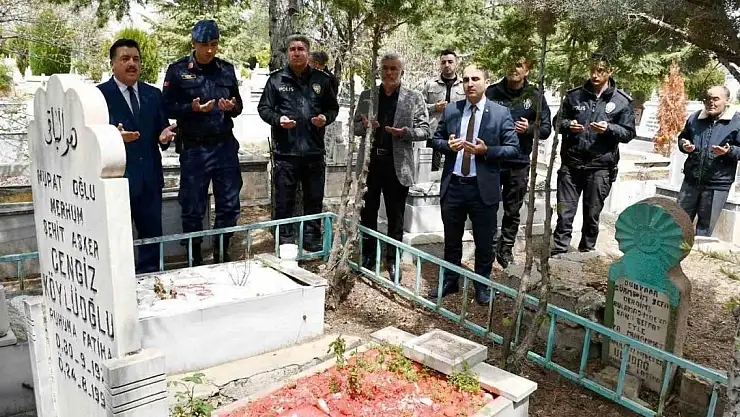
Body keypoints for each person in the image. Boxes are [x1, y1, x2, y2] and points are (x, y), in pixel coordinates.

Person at [427, 65, 520, 305]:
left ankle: (482, 285)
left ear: (486, 82)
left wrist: (487, 151)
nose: (470, 84)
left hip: (483, 188)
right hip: (454, 186)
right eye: (466, 79)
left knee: (484, 241)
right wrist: (447, 146)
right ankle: (450, 280)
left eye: (475, 79)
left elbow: (513, 149)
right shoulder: (452, 110)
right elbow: (435, 140)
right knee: (451, 239)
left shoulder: (500, 113)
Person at [162, 19, 244, 265]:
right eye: (204, 44)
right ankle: (194, 255)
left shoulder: (226, 69)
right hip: (195, 148)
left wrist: (231, 107)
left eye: (214, 44)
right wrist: (192, 108)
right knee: (192, 205)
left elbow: (238, 105)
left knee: (229, 203)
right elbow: (166, 106)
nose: (209, 50)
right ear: (193, 43)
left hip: (224, 146)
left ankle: (222, 250)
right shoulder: (178, 70)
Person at [98, 39, 176, 274]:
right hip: (118, 180)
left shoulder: (153, 94)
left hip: (150, 178)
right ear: (112, 64)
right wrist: (114, 138)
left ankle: (150, 279)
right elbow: (90, 139)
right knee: (116, 239)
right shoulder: (99, 96)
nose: (132, 63)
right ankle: (119, 282)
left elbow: (162, 130)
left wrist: (164, 136)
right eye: (125, 59)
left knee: (152, 237)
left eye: (136, 59)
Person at [258, 35, 340, 252]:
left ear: (308, 52)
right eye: (293, 49)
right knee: (284, 200)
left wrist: (325, 118)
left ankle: (312, 239)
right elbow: (264, 108)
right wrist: (278, 120)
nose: (297, 53)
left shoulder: (322, 80)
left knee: (314, 199)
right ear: (288, 53)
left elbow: (333, 108)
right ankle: (285, 239)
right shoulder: (276, 80)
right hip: (286, 153)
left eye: (301, 49)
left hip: (314, 152)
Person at [352, 53, 430, 277]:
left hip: (398, 165)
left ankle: (393, 259)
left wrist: (405, 132)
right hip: (370, 164)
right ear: (380, 70)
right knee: (368, 213)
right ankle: (369, 255)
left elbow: (425, 130)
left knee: (396, 217)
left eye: (394, 68)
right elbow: (355, 127)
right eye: (385, 68)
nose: (389, 72)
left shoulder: (413, 98)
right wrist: (366, 126)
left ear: (401, 71)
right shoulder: (367, 96)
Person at [551, 54, 636, 255]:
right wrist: (568, 125)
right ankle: (560, 250)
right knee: (565, 211)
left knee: (592, 214)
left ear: (610, 72)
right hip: (571, 165)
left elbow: (629, 133)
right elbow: (557, 122)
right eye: (592, 70)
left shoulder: (622, 101)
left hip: (600, 168)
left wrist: (609, 129)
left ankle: (587, 251)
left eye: (601, 71)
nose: (595, 75)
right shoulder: (574, 96)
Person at [486, 58, 551, 268]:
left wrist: (529, 128)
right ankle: (489, 246)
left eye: (519, 65)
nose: (513, 69)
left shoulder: (535, 96)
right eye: (510, 64)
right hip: (493, 159)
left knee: (512, 210)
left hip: (518, 162)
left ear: (527, 70)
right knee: (488, 205)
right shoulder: (492, 92)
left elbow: (546, 129)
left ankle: (505, 249)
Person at [677, 85, 740, 237]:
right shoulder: (695, 118)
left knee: (704, 231)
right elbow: (683, 137)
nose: (711, 102)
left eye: (716, 99)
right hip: (691, 182)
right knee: (678, 224)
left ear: (727, 100)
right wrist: (685, 146)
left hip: (717, 184)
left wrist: (729, 151)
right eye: (708, 99)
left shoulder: (737, 121)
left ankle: (697, 252)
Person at [418, 50, 465, 171]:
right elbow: (419, 108)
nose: (447, 65)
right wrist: (435, 107)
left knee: (455, 169)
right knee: (430, 170)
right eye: (443, 62)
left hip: (457, 134)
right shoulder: (430, 85)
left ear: (456, 63)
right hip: (434, 134)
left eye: (450, 62)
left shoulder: (464, 85)